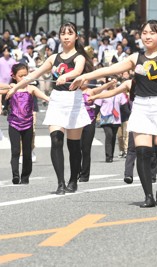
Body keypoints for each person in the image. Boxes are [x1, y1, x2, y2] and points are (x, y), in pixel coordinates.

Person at [70, 20, 157, 208]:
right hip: (141, 106)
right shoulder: (135, 58)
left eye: (152, 33)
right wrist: (84, 76)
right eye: (144, 32)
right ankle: (148, 195)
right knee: (142, 152)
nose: (147, 36)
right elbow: (109, 69)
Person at [6, 22, 94, 195]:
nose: (66, 36)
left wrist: (66, 76)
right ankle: (60, 183)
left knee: (74, 146)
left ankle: (72, 180)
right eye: (63, 33)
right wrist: (15, 87)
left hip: (73, 100)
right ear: (59, 37)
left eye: (70, 33)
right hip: (57, 100)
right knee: (56, 140)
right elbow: (33, 74)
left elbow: (77, 70)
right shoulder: (53, 58)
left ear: (76, 36)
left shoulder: (79, 56)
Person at [0, 63, 48, 184]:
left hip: (28, 124)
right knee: (15, 151)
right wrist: (9, 86)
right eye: (21, 76)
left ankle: (25, 176)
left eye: (26, 75)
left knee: (27, 152)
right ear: (14, 76)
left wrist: (55, 100)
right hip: (14, 124)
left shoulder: (31, 88)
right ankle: (15, 175)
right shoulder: (11, 87)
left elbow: (46, 98)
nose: (24, 78)